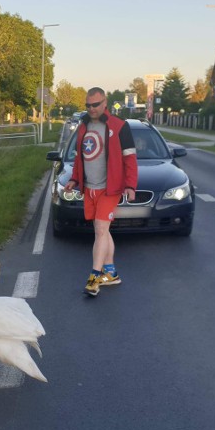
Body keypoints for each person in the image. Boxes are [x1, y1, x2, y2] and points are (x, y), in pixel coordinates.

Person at [63, 87, 138, 296]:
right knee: (103, 230)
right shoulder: (83, 126)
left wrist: (131, 185)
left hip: (109, 188)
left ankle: (94, 277)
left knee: (101, 230)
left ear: (105, 103)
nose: (91, 109)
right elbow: (80, 157)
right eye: (88, 105)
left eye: (95, 105)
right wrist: (74, 179)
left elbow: (130, 159)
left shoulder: (119, 126)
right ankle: (111, 273)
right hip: (90, 188)